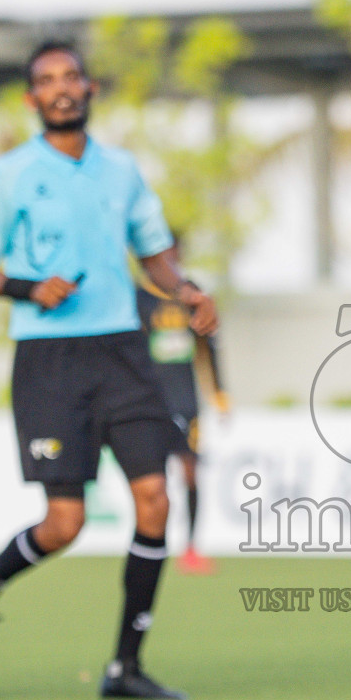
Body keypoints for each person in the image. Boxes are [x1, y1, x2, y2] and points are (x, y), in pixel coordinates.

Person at [0, 40, 219, 700]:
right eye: (47, 80)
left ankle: (125, 667)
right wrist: (25, 288)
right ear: (31, 99)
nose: (62, 88)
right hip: (51, 361)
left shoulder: (122, 171)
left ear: (90, 88)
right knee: (64, 522)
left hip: (122, 351)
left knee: (154, 497)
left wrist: (184, 289)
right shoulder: (11, 174)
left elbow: (153, 251)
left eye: (71, 76)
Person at [136, 241, 229, 574]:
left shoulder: (193, 296)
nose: (171, 263)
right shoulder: (137, 299)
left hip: (185, 398)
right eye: (164, 257)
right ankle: (151, 545)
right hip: (149, 402)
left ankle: (190, 547)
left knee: (190, 472)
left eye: (174, 256)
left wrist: (219, 394)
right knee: (152, 481)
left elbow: (209, 345)